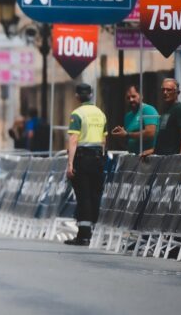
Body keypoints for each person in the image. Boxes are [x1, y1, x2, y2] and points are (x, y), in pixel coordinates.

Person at [64, 83, 107, 246]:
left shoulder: (77, 114)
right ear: (90, 95)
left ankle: (83, 235)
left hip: (82, 159)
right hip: (98, 159)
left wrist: (70, 164)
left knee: (83, 197)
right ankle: (93, 233)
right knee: (95, 196)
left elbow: (74, 139)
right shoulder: (101, 114)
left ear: (77, 96)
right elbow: (104, 140)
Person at [110, 84, 159, 155]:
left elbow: (150, 133)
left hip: (148, 158)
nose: (131, 100)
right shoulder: (128, 116)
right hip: (134, 158)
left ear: (141, 96)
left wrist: (127, 134)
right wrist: (119, 136)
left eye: (133, 96)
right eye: (128, 97)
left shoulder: (148, 110)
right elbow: (127, 141)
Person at [151, 78, 181, 156]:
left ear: (177, 92)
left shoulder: (180, 109)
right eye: (163, 90)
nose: (165, 92)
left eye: (169, 90)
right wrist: (151, 151)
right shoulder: (166, 110)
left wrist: (180, 160)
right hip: (162, 159)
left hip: (172, 161)